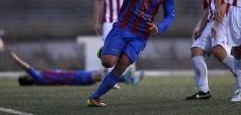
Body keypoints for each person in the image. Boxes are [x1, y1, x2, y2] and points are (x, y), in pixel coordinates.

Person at [87, 0, 175, 107]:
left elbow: (170, 16)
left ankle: (94, 97)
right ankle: (104, 52)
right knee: (108, 63)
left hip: (140, 36)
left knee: (122, 65)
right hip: (122, 28)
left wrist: (159, 27)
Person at [93, 0, 139, 89]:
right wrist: (96, 21)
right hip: (109, 20)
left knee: (127, 49)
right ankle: (110, 77)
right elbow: (98, 1)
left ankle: (125, 75)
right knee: (111, 50)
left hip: (126, 21)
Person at [10, 51, 143, 86]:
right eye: (26, 76)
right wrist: (15, 58)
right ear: (28, 79)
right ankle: (127, 79)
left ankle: (126, 79)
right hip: (75, 78)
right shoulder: (38, 79)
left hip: (75, 75)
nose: (28, 74)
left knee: (101, 75)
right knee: (100, 75)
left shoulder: (41, 76)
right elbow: (27, 68)